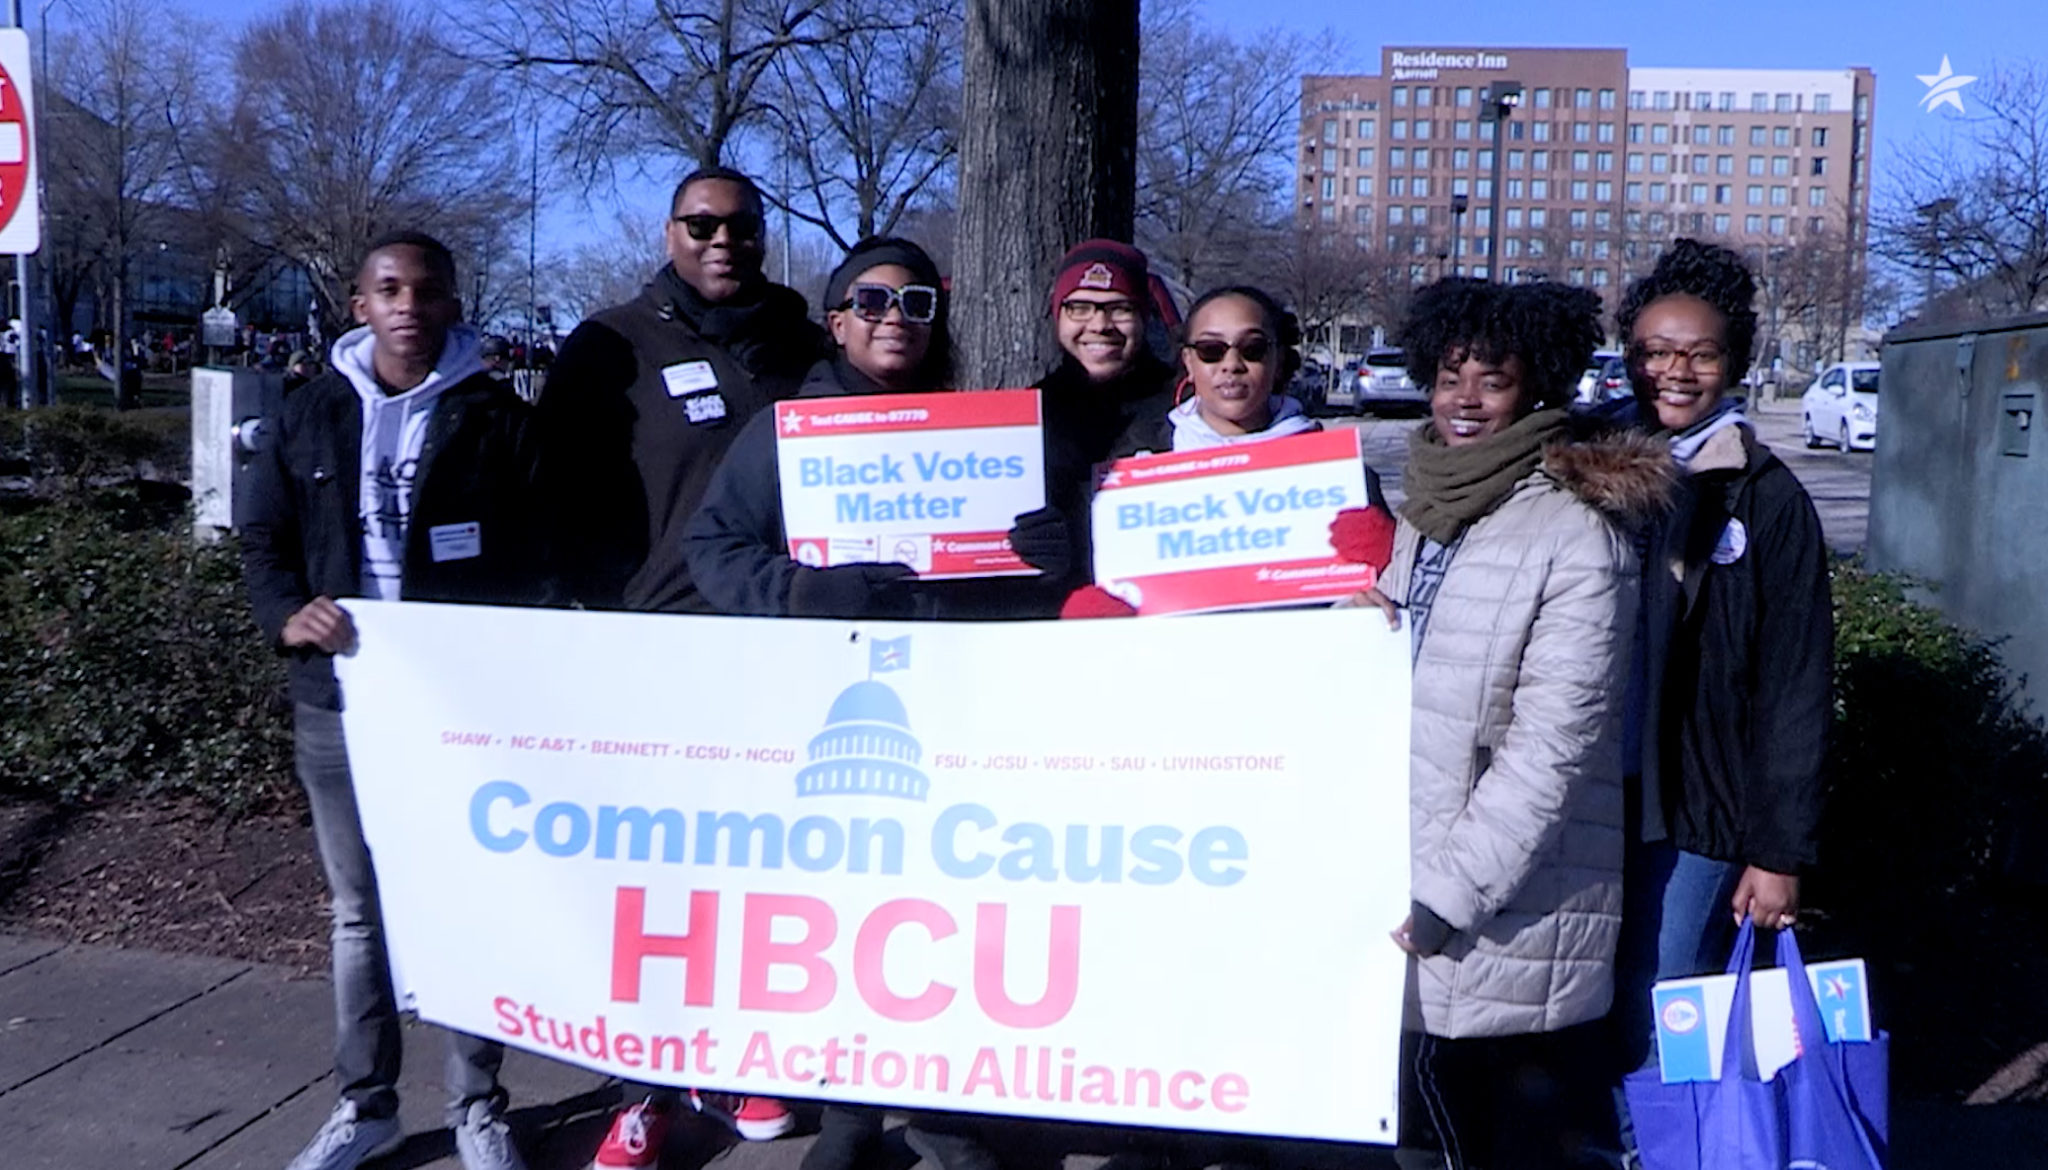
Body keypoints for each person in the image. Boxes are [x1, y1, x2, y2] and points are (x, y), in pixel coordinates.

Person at [536, 165, 827, 1168]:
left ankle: (741, 1057)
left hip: (781, 644)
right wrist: (593, 615)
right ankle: (644, 1089)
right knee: (658, 887)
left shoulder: (802, 343)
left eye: (740, 226)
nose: (721, 241)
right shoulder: (609, 345)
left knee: (758, 876)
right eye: (700, 224)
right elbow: (557, 492)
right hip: (655, 647)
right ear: (669, 233)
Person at [239, 231, 541, 1170]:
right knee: (359, 913)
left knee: (465, 900)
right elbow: (263, 543)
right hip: (338, 705)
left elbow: (535, 555)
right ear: (359, 302)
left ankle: (477, 1107)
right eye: (389, 288)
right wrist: (287, 615)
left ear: (453, 303)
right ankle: (364, 1105)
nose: (409, 304)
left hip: (457, 709)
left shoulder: (495, 417)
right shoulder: (309, 412)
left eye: (427, 289)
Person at [1355, 278, 1671, 1170]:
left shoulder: (1577, 533)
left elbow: (1553, 750)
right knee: (1426, 1134)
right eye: (1449, 374)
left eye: (1490, 380)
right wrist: (1366, 620)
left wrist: (1448, 896)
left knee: (1483, 1141)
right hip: (1419, 882)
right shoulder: (1431, 511)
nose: (1463, 399)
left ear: (1535, 389)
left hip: (1502, 909)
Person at [1605, 240, 1834, 1130]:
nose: (1675, 371)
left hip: (1697, 806)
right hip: (1589, 792)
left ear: (1732, 362)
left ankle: (1661, 1146)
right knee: (1588, 995)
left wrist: (1779, 853)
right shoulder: (1589, 467)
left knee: (1667, 994)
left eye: (1698, 353)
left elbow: (1794, 687)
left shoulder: (1767, 499)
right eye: (1656, 350)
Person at [1006, 240, 1180, 601]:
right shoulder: (1029, 414)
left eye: (1120, 309)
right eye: (1080, 308)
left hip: (1161, 611)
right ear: (1059, 316)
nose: (1100, 325)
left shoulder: (1183, 407)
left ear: (1144, 316)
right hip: (1057, 618)